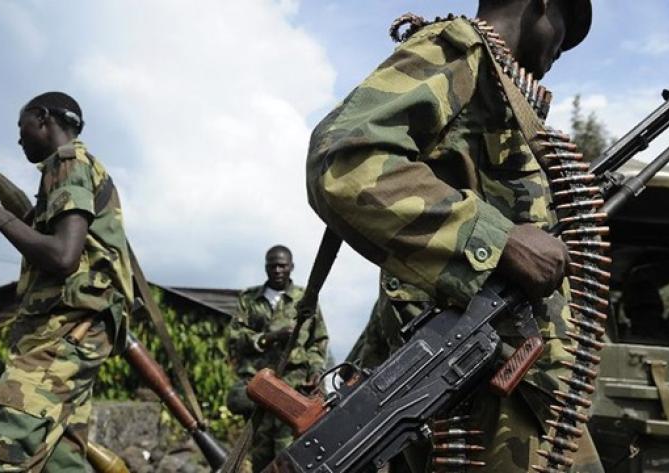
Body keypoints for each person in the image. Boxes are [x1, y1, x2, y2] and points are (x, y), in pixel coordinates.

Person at [306, 0, 604, 472]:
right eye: (567, 24)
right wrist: (499, 240)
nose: (564, 47)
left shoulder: (503, 90)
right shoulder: (460, 50)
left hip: (524, 390)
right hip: (475, 392)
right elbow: (344, 161)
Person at [0, 92, 132, 472]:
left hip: (66, 331)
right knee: (60, 461)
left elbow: (63, 257)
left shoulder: (68, 162)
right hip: (75, 331)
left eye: (22, 127)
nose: (19, 139)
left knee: (3, 449)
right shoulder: (72, 168)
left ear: (42, 117)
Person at [226, 245, 329, 472]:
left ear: (291, 267)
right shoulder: (250, 299)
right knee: (260, 454)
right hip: (259, 388)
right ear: (265, 267)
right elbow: (235, 339)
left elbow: (317, 341)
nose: (277, 270)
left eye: (282, 265)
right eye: (272, 265)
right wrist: (271, 337)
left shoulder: (305, 299)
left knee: (289, 454)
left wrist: (315, 369)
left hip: (293, 387)